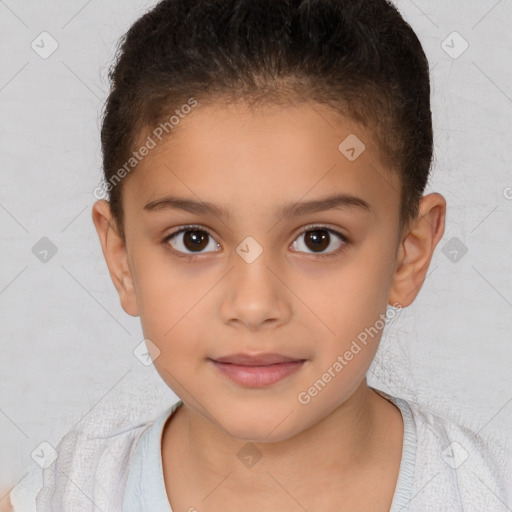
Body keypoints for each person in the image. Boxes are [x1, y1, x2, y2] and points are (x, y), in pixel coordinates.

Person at [9, 0, 511, 510]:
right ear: (122, 259)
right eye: (193, 239)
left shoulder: (484, 495)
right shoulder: (63, 496)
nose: (253, 305)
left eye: (318, 239)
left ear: (410, 254)